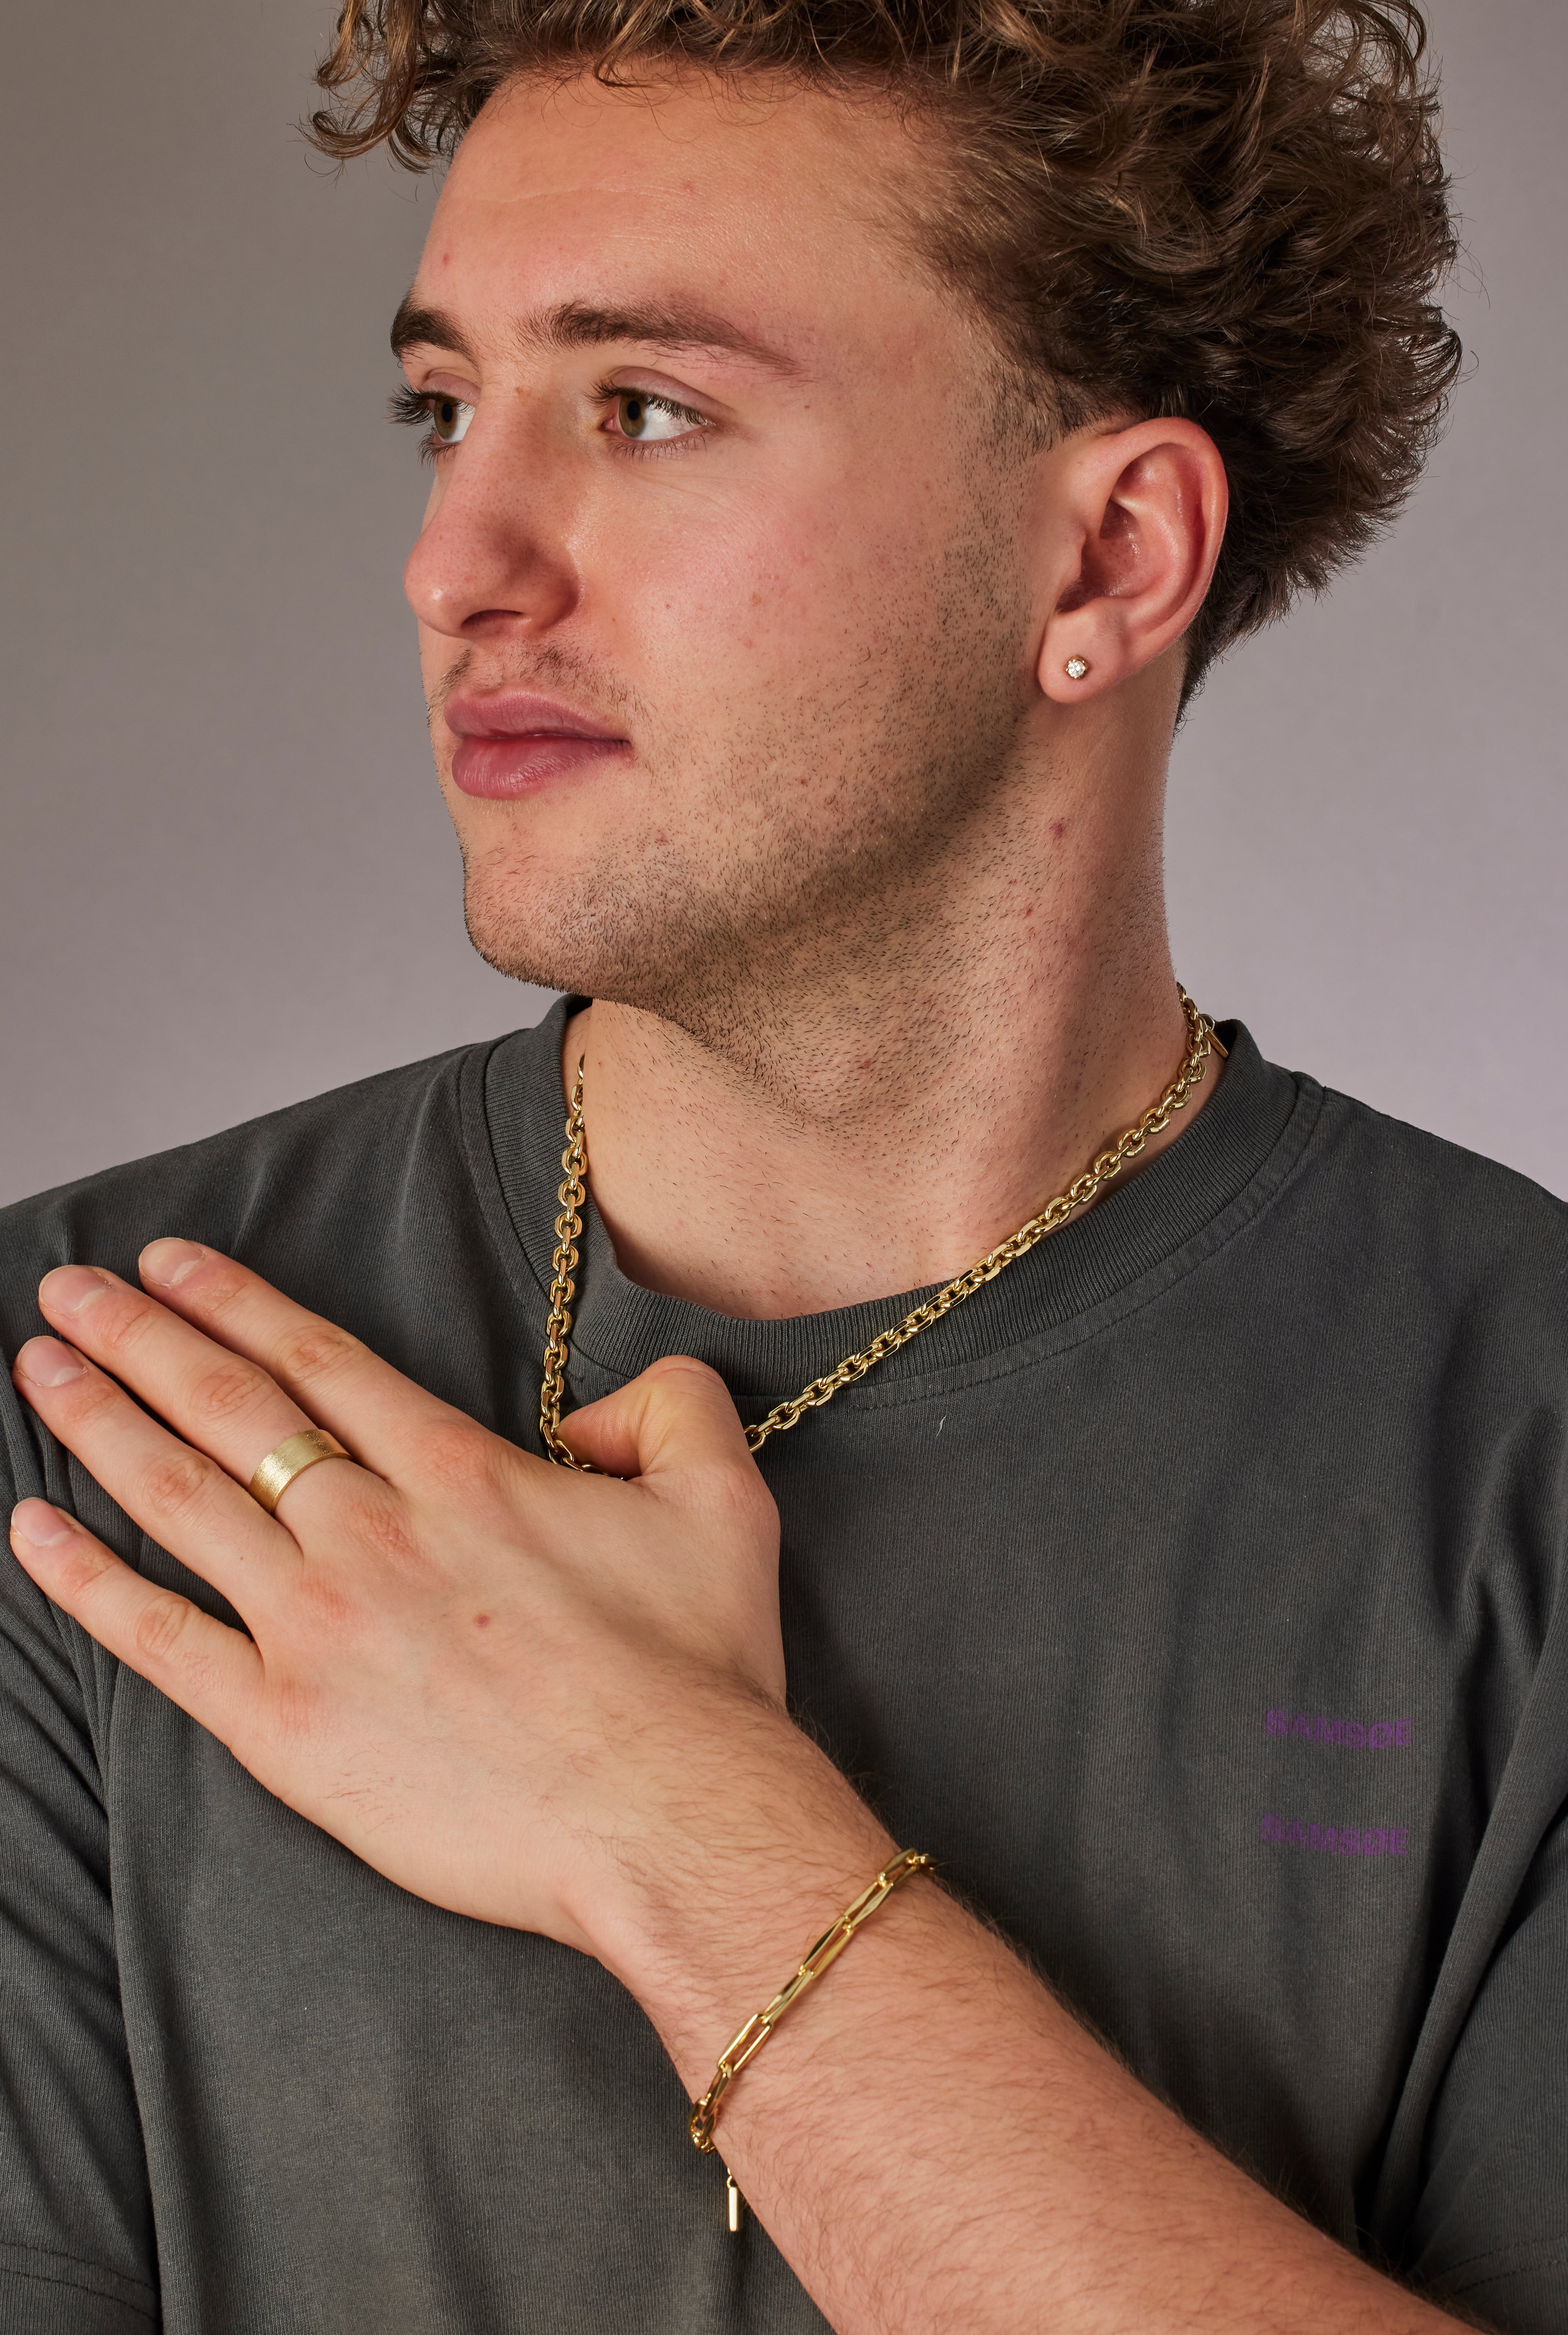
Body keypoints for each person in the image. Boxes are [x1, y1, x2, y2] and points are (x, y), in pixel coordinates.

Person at [1, 1, 1562, 2329]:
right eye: (445, 407)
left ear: (1108, 556)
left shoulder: (1529, 1457)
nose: (455, 563)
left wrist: (677, 1820)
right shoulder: (88, 1406)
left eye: (643, 409)